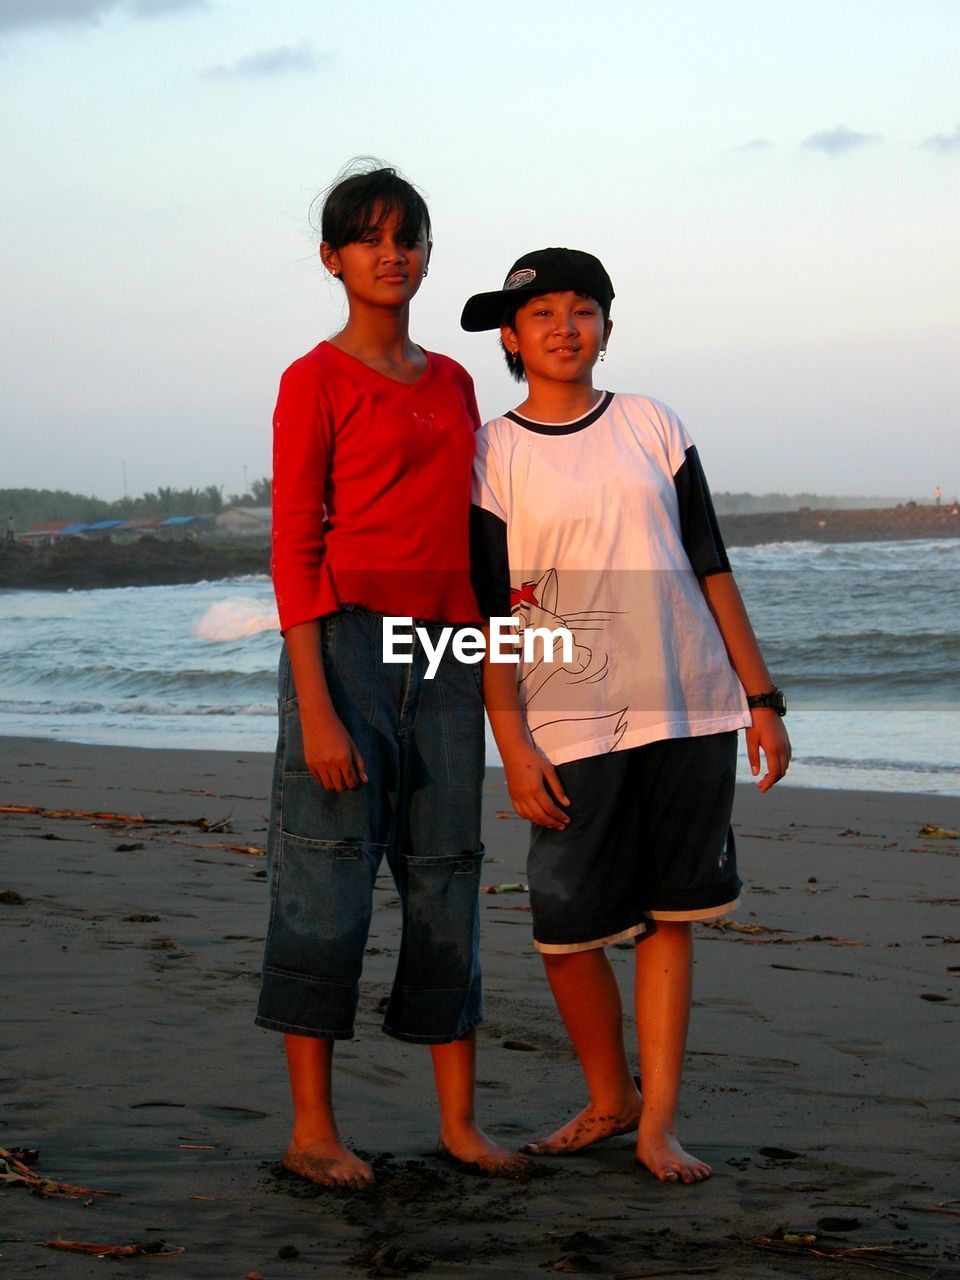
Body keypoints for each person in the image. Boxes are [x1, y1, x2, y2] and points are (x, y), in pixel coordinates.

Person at [464, 247, 791, 1184]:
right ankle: (608, 1096)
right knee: (564, 927)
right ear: (512, 339)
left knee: (670, 916)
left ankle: (656, 1125)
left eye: (583, 309)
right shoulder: (492, 452)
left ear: (608, 324)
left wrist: (759, 699)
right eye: (542, 315)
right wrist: (511, 741)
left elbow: (711, 563)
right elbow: (492, 608)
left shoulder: (654, 423)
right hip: (565, 718)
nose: (565, 328)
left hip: (687, 704)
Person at [256, 163, 526, 1188]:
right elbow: (293, 549)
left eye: (407, 235)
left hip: (445, 651)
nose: (391, 252)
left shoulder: (455, 382)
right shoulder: (312, 380)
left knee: (448, 872)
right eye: (367, 237)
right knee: (325, 877)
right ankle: (313, 1128)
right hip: (346, 650)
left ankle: (460, 1122)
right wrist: (318, 707)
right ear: (332, 258)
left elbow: (478, 536)